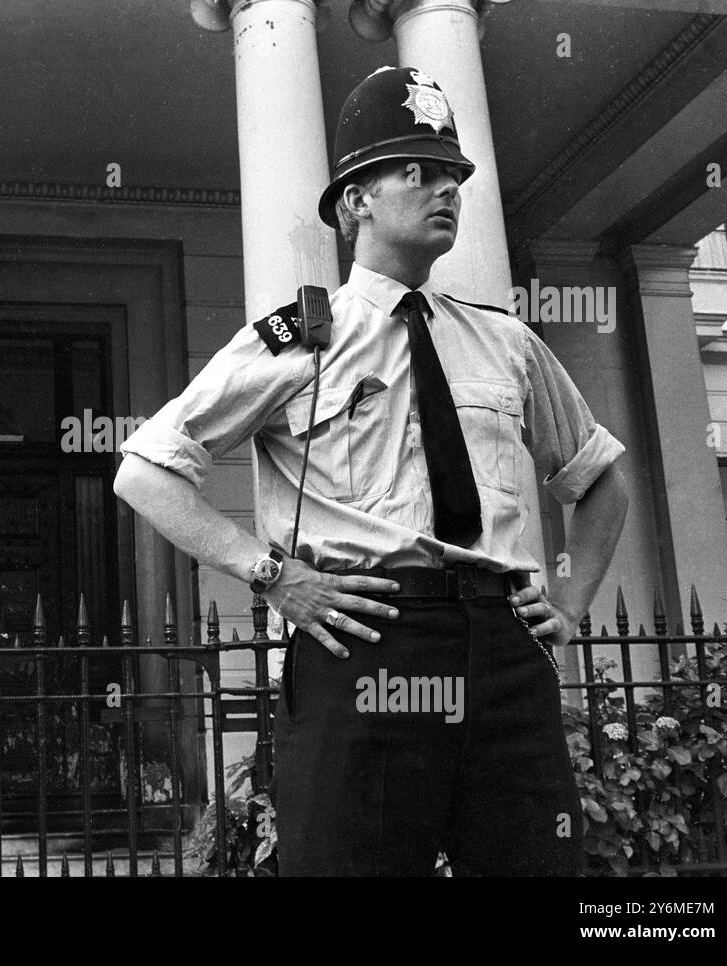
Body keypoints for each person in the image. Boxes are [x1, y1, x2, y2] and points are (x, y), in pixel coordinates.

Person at [113, 66, 629, 876]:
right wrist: (272, 574)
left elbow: (599, 477)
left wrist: (570, 603)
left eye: (452, 174)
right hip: (367, 645)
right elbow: (145, 470)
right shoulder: (298, 339)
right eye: (416, 171)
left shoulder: (507, 342)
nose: (445, 190)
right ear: (355, 200)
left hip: (504, 650)